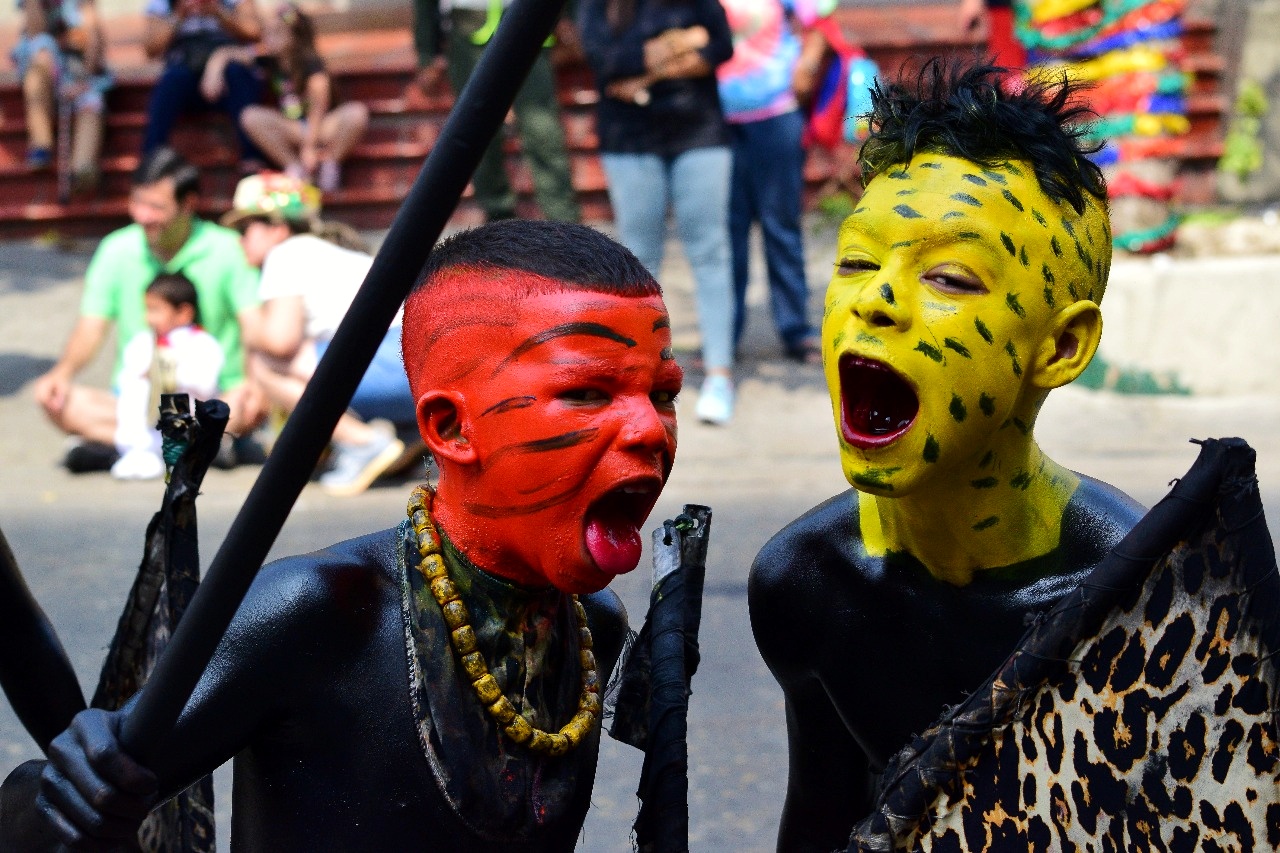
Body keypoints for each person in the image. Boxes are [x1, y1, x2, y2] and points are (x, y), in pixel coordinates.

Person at [0, 219, 683, 850]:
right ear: (450, 427)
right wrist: (70, 787)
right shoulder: (319, 613)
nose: (649, 430)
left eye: (662, 393)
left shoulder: (591, 628)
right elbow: (71, 808)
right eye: (588, 393)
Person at [748, 61, 1146, 850]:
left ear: (1061, 345)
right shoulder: (806, 582)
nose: (876, 299)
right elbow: (825, 816)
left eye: (949, 276)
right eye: (857, 263)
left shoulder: (1132, 595)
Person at [31, 147, 263, 473]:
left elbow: (254, 326)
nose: (143, 215)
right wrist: (62, 374)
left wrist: (252, 383)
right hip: (136, 400)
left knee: (244, 405)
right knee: (57, 400)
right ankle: (197, 445)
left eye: (156, 206)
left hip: (214, 395)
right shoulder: (116, 249)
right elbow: (91, 327)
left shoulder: (226, 249)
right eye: (137, 202)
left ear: (189, 204)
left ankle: (131, 446)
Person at [577, 0, 738, 424]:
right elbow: (604, 60)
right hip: (628, 137)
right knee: (638, 259)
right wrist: (683, 44)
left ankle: (720, 373)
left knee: (710, 252)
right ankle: (640, 374)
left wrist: (646, 68)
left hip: (699, 130)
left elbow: (720, 45)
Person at [223, 172, 411, 496]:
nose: (239, 241)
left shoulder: (286, 254)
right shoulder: (323, 251)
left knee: (265, 362)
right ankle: (406, 435)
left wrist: (248, 320)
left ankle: (364, 443)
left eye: (245, 229)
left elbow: (280, 342)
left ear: (277, 229)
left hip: (393, 367)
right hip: (418, 368)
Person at [716, 0, 830, 365]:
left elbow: (823, 23)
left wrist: (807, 66)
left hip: (777, 116)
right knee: (726, 233)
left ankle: (796, 330)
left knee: (780, 226)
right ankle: (724, 335)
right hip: (714, 124)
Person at [411, 0, 580, 224]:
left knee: (543, 130)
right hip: (467, 30)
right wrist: (426, 52)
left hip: (529, 20)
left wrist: (569, 16)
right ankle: (498, 218)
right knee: (478, 133)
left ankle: (564, 223)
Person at [211, 2, 369, 194]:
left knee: (356, 114)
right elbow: (231, 53)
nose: (268, 38)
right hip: (293, 126)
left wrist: (309, 147)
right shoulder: (270, 60)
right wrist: (215, 67)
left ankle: (330, 164)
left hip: (320, 125)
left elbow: (318, 105)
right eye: (267, 33)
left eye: (277, 33)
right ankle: (295, 169)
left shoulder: (310, 63)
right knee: (250, 116)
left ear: (294, 36)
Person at [112, 271, 225, 481]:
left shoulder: (202, 344)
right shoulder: (143, 342)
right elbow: (127, 378)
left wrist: (168, 376)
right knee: (136, 391)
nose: (149, 318)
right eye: (147, 310)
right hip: (148, 418)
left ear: (183, 313)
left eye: (155, 310)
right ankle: (137, 451)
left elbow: (206, 386)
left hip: (186, 419)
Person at [140, 0, 263, 168]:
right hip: (185, 78)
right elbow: (150, 49)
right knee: (172, 80)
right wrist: (179, 15)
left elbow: (255, 31)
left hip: (228, 78)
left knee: (238, 74)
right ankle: (151, 163)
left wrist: (217, 12)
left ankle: (252, 159)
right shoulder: (163, 4)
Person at [11, 0, 111, 191]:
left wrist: (82, 81)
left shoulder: (82, 6)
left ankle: (82, 166)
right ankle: (41, 144)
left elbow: (94, 42)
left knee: (91, 101)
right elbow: (35, 34)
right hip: (46, 76)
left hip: (78, 73)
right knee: (37, 71)